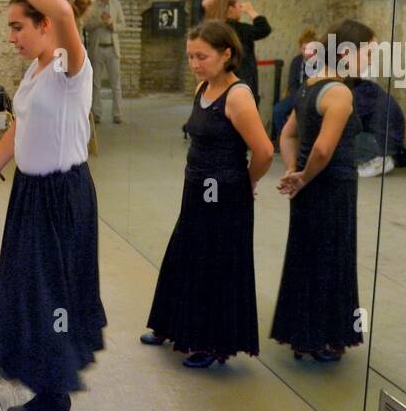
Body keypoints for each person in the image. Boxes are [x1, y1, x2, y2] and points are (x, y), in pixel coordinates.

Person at [0, 0, 107, 411]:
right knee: (26, 294)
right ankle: (46, 395)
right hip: (29, 193)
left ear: (44, 23)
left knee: (54, 302)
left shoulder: (73, 67)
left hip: (63, 200)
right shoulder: (33, 70)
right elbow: (18, 125)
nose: (12, 37)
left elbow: (67, 18)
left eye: (17, 27)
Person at [141, 20, 273, 367]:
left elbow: (264, 151)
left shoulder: (239, 95)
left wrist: (247, 183)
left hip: (225, 192)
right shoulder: (203, 87)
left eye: (202, 56)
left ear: (226, 54)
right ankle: (171, 325)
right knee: (184, 254)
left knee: (214, 264)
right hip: (196, 186)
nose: (195, 64)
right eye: (190, 57)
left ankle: (210, 343)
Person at [270, 20, 366, 362]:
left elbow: (288, 135)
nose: (369, 59)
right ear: (346, 52)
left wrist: (294, 172)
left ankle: (303, 335)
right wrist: (305, 176)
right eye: (367, 52)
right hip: (331, 186)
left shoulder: (309, 85)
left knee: (306, 257)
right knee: (331, 259)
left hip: (309, 187)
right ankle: (324, 337)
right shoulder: (339, 92)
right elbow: (324, 150)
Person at [204, 0, 271, 106]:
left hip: (221, 80)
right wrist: (251, 11)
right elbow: (264, 29)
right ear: (230, 9)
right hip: (243, 80)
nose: (241, 9)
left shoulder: (215, 29)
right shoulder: (240, 29)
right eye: (239, 6)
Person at [82, 0, 124, 124]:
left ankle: (117, 114)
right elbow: (86, 26)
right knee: (96, 83)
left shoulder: (116, 5)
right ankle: (97, 114)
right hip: (97, 48)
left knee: (115, 83)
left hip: (112, 48)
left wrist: (112, 24)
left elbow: (122, 25)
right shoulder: (93, 6)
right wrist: (100, 21)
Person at [271, 28, 320, 141]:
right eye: (304, 49)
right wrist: (296, 99)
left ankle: (305, 141)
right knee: (278, 110)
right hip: (297, 95)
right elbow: (292, 83)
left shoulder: (320, 63)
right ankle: (285, 138)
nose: (307, 52)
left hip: (312, 97)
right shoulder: (297, 61)